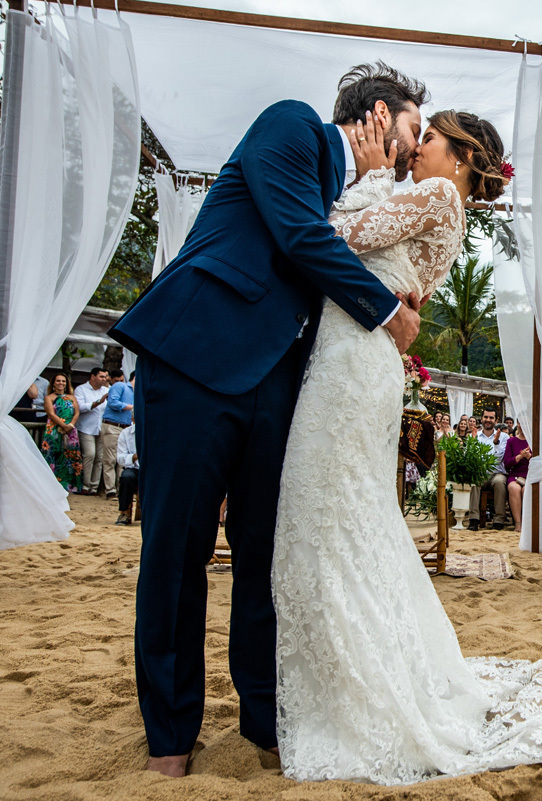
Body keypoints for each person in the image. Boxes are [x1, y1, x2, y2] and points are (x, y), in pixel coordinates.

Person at [110, 64, 434, 777]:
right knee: (176, 553)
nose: (415, 151)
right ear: (377, 115)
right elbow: (296, 235)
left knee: (265, 559)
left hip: (280, 385)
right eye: (413, 131)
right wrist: (386, 314)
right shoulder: (293, 126)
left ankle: (266, 723)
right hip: (196, 359)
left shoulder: (357, 201)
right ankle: (170, 738)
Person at [272, 105, 542, 783]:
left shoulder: (440, 193)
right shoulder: (440, 203)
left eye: (432, 139)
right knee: (346, 522)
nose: (418, 150)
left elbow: (342, 233)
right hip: (355, 355)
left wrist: (349, 182)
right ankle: (354, 675)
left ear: (464, 156)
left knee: (331, 520)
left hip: (355, 363)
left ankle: (358, 688)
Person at [41, 372, 83, 492]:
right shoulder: (49, 398)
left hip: (70, 431)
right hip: (54, 430)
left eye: (63, 381)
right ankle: (50, 484)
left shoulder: (72, 398)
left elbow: (77, 413)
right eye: (58, 381)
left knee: (70, 456)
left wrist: (70, 425)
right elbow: (51, 414)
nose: (61, 383)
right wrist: (63, 425)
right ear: (54, 383)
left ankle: (69, 484)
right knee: (53, 454)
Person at [470, 409, 508, 530]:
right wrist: (473, 442)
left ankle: (498, 520)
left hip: (497, 472)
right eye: (485, 417)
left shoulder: (504, 437)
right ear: (481, 419)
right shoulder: (475, 435)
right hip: (481, 472)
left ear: (496, 420)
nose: (488, 420)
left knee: (499, 483)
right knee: (474, 481)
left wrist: (496, 443)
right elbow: (470, 456)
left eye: (491, 418)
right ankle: (473, 519)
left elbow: (499, 459)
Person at [73, 367, 109, 495]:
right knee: (90, 454)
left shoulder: (107, 390)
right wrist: (99, 401)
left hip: (101, 428)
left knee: (100, 458)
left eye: (105, 377)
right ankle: (85, 485)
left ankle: (94, 487)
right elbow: (80, 407)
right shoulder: (81, 389)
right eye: (101, 377)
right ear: (92, 377)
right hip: (86, 427)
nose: (104, 379)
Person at [99, 368, 133, 500]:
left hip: (127, 427)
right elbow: (112, 402)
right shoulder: (120, 385)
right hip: (113, 425)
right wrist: (132, 406)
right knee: (110, 459)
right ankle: (110, 490)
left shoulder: (136, 392)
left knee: (123, 460)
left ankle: (122, 490)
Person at [502, 422, 531, 532]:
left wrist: (529, 457)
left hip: (529, 475)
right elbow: (507, 463)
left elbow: (539, 461)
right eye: (520, 422)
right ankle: (518, 523)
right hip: (515, 475)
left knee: (526, 490)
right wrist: (519, 457)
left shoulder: (534, 441)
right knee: (515, 489)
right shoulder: (511, 441)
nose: (522, 425)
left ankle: (526, 522)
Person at [116, 416, 139, 525]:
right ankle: (124, 513)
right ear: (133, 419)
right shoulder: (126, 433)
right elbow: (120, 459)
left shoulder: (156, 431)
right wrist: (135, 457)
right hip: (134, 468)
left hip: (152, 470)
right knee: (126, 477)